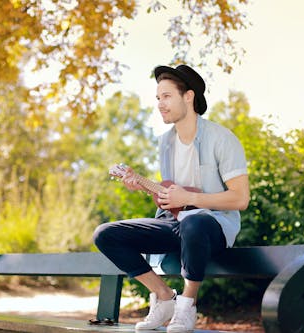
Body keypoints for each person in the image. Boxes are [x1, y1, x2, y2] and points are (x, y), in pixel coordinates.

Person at [93, 64, 250, 332]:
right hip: (177, 225)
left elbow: (240, 199)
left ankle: (187, 306)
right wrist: (144, 186)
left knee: (195, 223)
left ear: (188, 96)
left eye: (166, 96)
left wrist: (188, 197)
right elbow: (173, 200)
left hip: (213, 227)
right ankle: (165, 297)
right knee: (106, 234)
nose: (159, 104)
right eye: (157, 98)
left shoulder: (222, 138)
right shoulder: (165, 142)